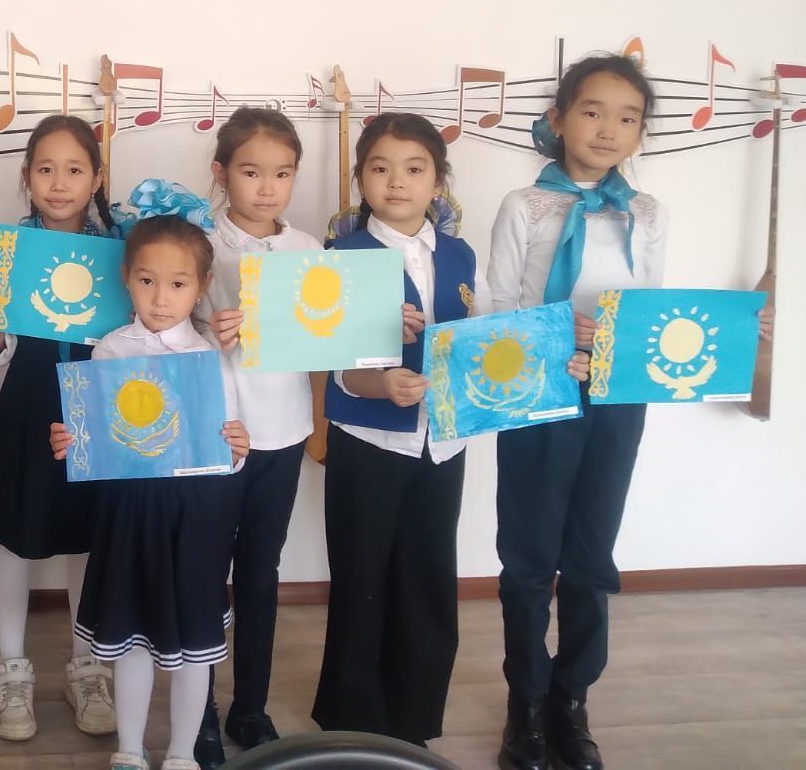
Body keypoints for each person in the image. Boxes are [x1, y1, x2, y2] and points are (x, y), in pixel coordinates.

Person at [488, 55, 770, 770]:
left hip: (616, 399)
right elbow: (497, 311)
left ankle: (571, 701)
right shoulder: (524, 205)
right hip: (536, 395)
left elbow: (650, 316)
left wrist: (733, 329)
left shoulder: (647, 213)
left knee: (591, 556)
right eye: (592, 111)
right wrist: (562, 338)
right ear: (558, 119)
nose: (608, 128)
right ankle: (526, 704)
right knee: (528, 560)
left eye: (628, 117)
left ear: (641, 132)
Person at [51, 199, 250, 770]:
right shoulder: (109, 348)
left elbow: (227, 449)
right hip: (130, 514)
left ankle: (182, 752)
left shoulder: (211, 356)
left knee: (193, 647)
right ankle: (130, 748)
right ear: (127, 279)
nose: (161, 298)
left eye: (178, 284)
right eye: (147, 281)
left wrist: (238, 449)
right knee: (132, 636)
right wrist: (72, 440)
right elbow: (94, 441)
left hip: (194, 518)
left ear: (201, 287)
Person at [311, 114, 486, 749]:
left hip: (444, 443)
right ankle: (354, 726)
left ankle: (414, 725)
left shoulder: (462, 255)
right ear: (360, 179)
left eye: (415, 169)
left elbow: (482, 338)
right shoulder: (343, 257)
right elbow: (331, 364)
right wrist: (381, 382)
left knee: (428, 578)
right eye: (380, 168)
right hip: (370, 442)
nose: (397, 182)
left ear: (438, 181)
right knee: (361, 581)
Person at [0, 116, 119, 741]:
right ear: (27, 176)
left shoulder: (121, 244)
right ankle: (11, 668)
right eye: (46, 169)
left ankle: (87, 665)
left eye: (74, 169)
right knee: (16, 535)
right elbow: (0, 351)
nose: (59, 183)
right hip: (30, 403)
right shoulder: (13, 248)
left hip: (101, 405)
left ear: (96, 178)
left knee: (90, 537)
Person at [190, 108, 318, 767]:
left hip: (283, 432)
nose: (267, 188)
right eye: (251, 172)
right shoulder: (198, 246)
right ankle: (201, 710)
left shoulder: (309, 250)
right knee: (206, 571)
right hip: (216, 433)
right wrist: (207, 331)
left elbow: (329, 339)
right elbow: (164, 330)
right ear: (221, 173)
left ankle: (251, 706)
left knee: (261, 572)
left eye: (282, 174)